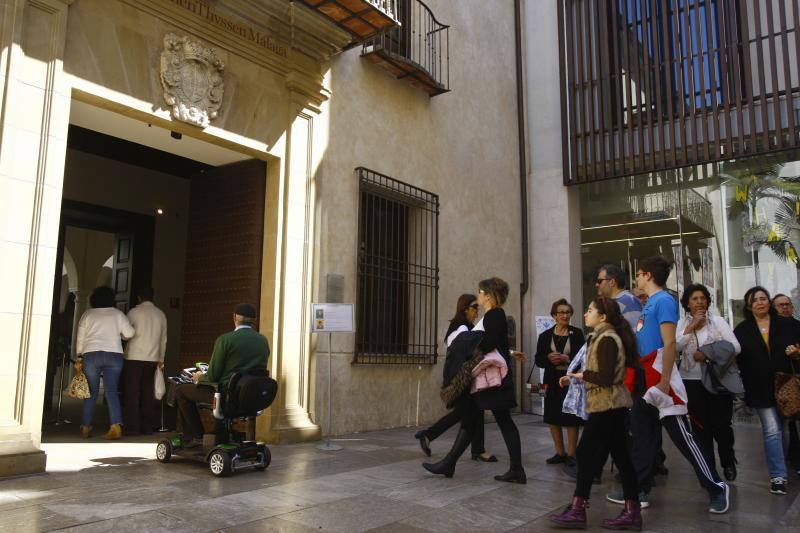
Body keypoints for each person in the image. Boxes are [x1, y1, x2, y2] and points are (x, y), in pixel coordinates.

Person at [606, 256, 729, 514]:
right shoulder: (650, 303)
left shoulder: (664, 301)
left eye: (638, 274)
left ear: (648, 275)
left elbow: (669, 342)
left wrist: (663, 381)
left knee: (684, 438)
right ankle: (638, 490)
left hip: (660, 378)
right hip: (643, 378)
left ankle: (716, 487)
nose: (636, 280)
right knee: (643, 436)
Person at [549, 297, 642, 530]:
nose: (584, 314)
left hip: (608, 405)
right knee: (621, 457)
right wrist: (578, 377)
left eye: (589, 310)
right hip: (607, 404)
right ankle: (631, 511)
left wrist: (580, 376)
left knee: (585, 452)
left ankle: (578, 508)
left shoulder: (607, 339)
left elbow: (606, 377)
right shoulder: (600, 337)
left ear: (602, 317)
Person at [423, 277, 527, 483]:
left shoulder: (495, 314)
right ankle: (449, 463)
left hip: (493, 381)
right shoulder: (493, 315)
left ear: (488, 294)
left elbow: (489, 343)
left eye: (480, 292)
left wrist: (471, 355)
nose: (478, 295)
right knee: (473, 419)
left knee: (502, 422)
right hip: (491, 380)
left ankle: (516, 469)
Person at [734, 287, 800, 495]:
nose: (760, 303)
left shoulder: (787, 325)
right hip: (759, 388)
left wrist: (797, 353)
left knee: (784, 429)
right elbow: (738, 360)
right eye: (755, 300)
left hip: (786, 385)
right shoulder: (742, 330)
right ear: (748, 306)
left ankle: (787, 463)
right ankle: (778, 476)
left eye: (763, 299)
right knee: (772, 430)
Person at [173, 303, 269, 447]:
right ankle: (218, 433)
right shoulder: (263, 341)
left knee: (180, 391)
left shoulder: (225, 340)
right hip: (250, 397)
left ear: (235, 317)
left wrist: (199, 377)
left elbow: (212, 376)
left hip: (226, 396)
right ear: (253, 320)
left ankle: (195, 436)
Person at [415, 294, 496, 462]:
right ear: (465, 309)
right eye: (474, 307)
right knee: (466, 413)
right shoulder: (461, 329)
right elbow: (469, 351)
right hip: (460, 379)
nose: (477, 311)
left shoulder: (463, 327)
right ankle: (433, 438)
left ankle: (475, 450)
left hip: (462, 377)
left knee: (471, 412)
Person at [676, 284, 741, 482]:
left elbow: (735, 347)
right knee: (699, 428)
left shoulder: (718, 322)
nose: (699, 302)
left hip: (717, 381)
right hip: (691, 381)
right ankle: (709, 469)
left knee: (722, 426)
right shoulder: (681, 324)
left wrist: (707, 354)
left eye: (702, 298)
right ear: (687, 303)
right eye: (694, 299)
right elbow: (676, 346)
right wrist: (691, 327)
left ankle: (728, 461)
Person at [75, 286, 135, 440]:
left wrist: (79, 356)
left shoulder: (88, 314)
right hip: (114, 354)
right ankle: (115, 426)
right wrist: (121, 335)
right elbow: (129, 333)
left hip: (91, 354)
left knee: (91, 393)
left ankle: (86, 427)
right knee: (111, 391)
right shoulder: (117, 314)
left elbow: (80, 338)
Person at [535, 298, 584, 474]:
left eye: (567, 312)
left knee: (571, 417)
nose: (565, 315)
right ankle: (559, 452)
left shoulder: (577, 333)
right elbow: (538, 359)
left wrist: (568, 359)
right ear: (554, 316)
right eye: (561, 312)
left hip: (570, 380)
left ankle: (572, 454)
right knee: (551, 415)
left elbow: (584, 359)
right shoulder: (545, 336)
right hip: (551, 379)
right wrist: (548, 358)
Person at [122, 287, 167, 436]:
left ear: (139, 298)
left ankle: (132, 426)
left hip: (134, 357)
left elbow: (126, 335)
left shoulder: (134, 312)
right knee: (148, 392)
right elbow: (163, 339)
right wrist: (161, 359)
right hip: (152, 358)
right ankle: (147, 426)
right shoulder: (161, 315)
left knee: (132, 392)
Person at [773, 293, 800, 475]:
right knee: (779, 425)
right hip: (776, 382)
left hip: (795, 380)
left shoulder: (797, 325)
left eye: (787, 304)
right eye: (780, 305)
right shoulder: (770, 329)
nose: (785, 307)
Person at [596, 264, 642, 330]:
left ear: (612, 282)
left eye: (599, 281)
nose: (596, 284)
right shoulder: (620, 301)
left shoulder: (626, 301)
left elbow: (637, 331)